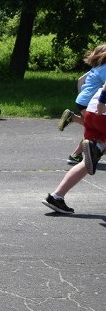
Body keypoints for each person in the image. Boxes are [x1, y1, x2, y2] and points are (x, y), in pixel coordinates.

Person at [44, 81, 106, 214]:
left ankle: (57, 196)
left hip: (91, 113)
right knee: (96, 151)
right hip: (102, 113)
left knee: (87, 162)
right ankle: (98, 148)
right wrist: (101, 105)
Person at [57, 44, 106, 164]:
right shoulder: (104, 68)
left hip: (83, 101)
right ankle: (73, 119)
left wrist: (81, 97)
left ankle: (76, 155)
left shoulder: (96, 67)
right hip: (91, 102)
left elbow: (80, 80)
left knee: (92, 127)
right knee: (95, 128)